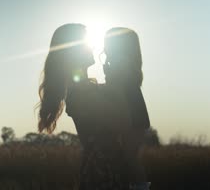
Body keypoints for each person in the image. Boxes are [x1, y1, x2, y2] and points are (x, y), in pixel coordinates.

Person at [37, 23, 127, 190]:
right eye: (85, 44)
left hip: (105, 168)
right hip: (102, 171)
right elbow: (122, 122)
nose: (92, 47)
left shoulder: (86, 88)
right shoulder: (80, 92)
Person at [102, 27, 151, 190]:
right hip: (134, 111)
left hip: (132, 112)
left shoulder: (120, 62)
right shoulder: (124, 62)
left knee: (129, 156)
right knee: (129, 156)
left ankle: (140, 187)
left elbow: (115, 89)